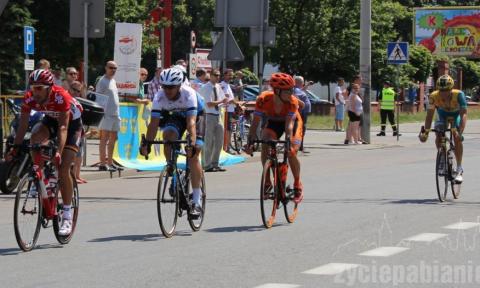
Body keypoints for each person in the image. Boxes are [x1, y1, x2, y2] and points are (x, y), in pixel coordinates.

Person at [9, 69, 83, 235]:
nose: (35, 92)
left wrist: (58, 151)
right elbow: (22, 125)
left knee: (63, 168)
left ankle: (66, 214)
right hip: (50, 120)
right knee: (35, 139)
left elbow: (63, 128)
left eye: (40, 88)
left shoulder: (61, 96)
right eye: (33, 87)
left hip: (71, 126)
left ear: (50, 87)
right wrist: (15, 148)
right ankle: (39, 177)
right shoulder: (29, 98)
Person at [140, 67, 204, 217]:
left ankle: (197, 201)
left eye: (171, 87)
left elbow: (191, 123)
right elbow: (154, 123)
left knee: (194, 155)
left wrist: (192, 142)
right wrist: (147, 144)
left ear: (179, 85)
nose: (167, 90)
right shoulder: (159, 96)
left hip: (197, 116)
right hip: (176, 115)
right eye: (165, 86)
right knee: (168, 136)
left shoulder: (188, 94)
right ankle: (172, 168)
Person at [246, 73, 304, 204]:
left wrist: (288, 141)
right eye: (288, 90)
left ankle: (297, 184)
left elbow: (289, 125)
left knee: (291, 152)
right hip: (274, 122)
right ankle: (267, 181)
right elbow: (255, 122)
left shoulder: (292, 101)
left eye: (292, 89)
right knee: (265, 140)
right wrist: (250, 140)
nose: (291, 93)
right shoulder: (263, 99)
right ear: (277, 91)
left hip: (292, 123)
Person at [419, 75, 467, 183]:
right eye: (441, 90)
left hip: (456, 115)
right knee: (439, 132)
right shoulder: (433, 96)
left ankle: (459, 169)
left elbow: (464, 114)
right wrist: (425, 133)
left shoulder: (459, 95)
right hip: (442, 115)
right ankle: (442, 158)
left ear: (451, 89)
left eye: (446, 90)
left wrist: (460, 132)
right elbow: (429, 115)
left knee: (456, 137)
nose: (443, 93)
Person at [198, 69, 228, 172]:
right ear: (210, 76)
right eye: (216, 75)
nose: (218, 77)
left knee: (219, 141)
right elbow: (209, 104)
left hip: (217, 115)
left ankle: (215, 163)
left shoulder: (218, 86)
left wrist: (226, 101)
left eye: (219, 75)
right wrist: (221, 101)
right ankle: (207, 164)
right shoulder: (205, 88)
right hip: (208, 115)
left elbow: (222, 100)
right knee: (208, 141)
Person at [96, 61, 122, 172]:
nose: (113, 70)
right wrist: (102, 112)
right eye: (111, 67)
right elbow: (98, 97)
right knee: (104, 139)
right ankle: (103, 163)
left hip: (115, 113)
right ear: (106, 68)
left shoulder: (113, 81)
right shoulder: (102, 81)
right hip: (106, 114)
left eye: (115, 68)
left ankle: (110, 162)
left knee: (113, 139)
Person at [69, 81, 88, 184]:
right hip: (71, 131)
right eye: (74, 90)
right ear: (70, 89)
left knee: (80, 156)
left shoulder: (78, 100)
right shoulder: (67, 99)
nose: (76, 92)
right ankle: (72, 176)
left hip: (79, 129)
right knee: (73, 156)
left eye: (78, 91)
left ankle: (77, 175)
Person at [220, 69, 236, 153]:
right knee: (227, 129)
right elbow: (224, 99)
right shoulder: (222, 85)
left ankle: (227, 146)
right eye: (229, 75)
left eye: (232, 75)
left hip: (230, 110)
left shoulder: (228, 85)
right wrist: (234, 102)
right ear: (224, 75)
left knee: (229, 129)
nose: (231, 77)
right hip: (225, 110)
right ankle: (226, 148)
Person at [293, 75, 311, 153]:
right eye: (303, 82)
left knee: (301, 128)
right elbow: (296, 99)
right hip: (301, 112)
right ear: (300, 82)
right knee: (301, 128)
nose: (303, 83)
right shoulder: (296, 90)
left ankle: (300, 145)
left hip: (303, 112)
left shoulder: (298, 89)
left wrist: (307, 85)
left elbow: (302, 90)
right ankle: (299, 146)